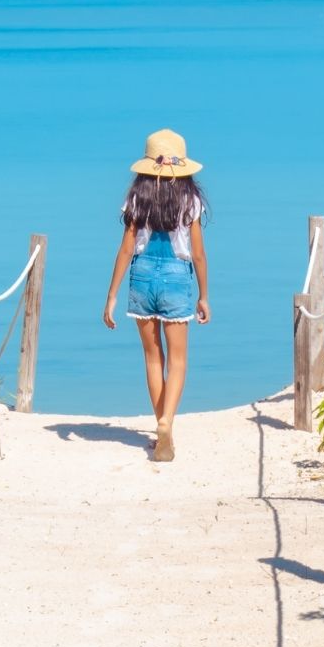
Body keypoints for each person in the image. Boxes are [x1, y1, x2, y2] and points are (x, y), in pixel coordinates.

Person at [102, 128, 210, 462]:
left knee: (153, 358)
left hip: (142, 276)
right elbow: (198, 254)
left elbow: (125, 249)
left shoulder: (137, 198)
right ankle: (167, 423)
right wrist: (204, 295)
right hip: (177, 278)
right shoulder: (190, 200)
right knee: (178, 360)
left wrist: (112, 296)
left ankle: (161, 424)